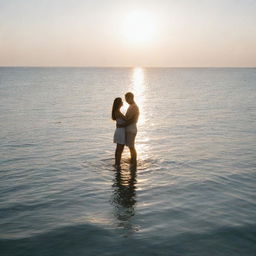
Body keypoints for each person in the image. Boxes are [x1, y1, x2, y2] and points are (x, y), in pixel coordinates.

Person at [121, 92, 139, 167]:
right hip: (130, 129)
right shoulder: (131, 106)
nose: (126, 101)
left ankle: (133, 162)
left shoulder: (134, 107)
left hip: (131, 129)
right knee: (131, 147)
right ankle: (133, 161)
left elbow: (133, 120)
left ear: (131, 98)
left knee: (131, 147)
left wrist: (123, 125)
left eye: (126, 99)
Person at [112, 97, 127, 168]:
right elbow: (126, 120)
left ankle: (117, 163)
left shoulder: (117, 111)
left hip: (119, 131)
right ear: (119, 103)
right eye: (121, 101)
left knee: (118, 148)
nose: (122, 102)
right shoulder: (118, 112)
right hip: (120, 132)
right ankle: (117, 164)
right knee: (120, 149)